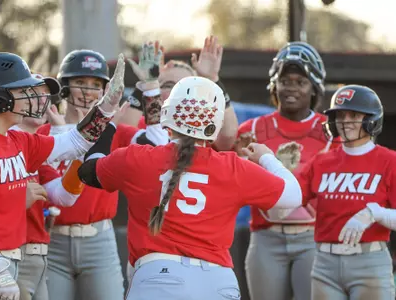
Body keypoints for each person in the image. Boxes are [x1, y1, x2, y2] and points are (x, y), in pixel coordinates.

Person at [78, 76, 303, 299]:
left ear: (169, 113)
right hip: (217, 281)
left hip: (158, 276)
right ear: (213, 123)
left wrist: (109, 122)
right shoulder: (233, 167)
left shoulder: (139, 158)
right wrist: (267, 158)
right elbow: (293, 197)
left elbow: (87, 171)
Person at [0, 51, 125, 300]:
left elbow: (73, 143)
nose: (33, 98)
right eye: (23, 92)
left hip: (7, 262)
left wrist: (104, 109)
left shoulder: (17, 139)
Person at [235, 41, 331, 300]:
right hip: (265, 236)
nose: (291, 88)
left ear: (314, 88)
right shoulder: (250, 129)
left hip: (313, 236)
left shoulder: (331, 131)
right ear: (274, 84)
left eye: (300, 82)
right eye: (285, 80)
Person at [297, 84, 395, 299]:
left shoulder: (390, 161)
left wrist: (374, 213)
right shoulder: (321, 162)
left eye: (354, 114)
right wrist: (265, 163)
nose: (345, 121)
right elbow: (288, 197)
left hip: (369, 261)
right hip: (325, 263)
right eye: (340, 115)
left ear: (370, 119)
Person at [46, 49, 125, 300]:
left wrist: (150, 87)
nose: (88, 91)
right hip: (51, 240)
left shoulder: (114, 132)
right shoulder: (43, 132)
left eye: (95, 84)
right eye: (80, 82)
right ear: (65, 87)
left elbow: (156, 140)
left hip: (99, 238)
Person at [120, 36, 239, 151]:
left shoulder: (202, 124)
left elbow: (227, 138)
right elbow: (121, 134)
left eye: (186, 88)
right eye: (169, 85)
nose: (177, 94)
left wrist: (212, 79)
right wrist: (147, 82)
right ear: (156, 90)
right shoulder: (142, 124)